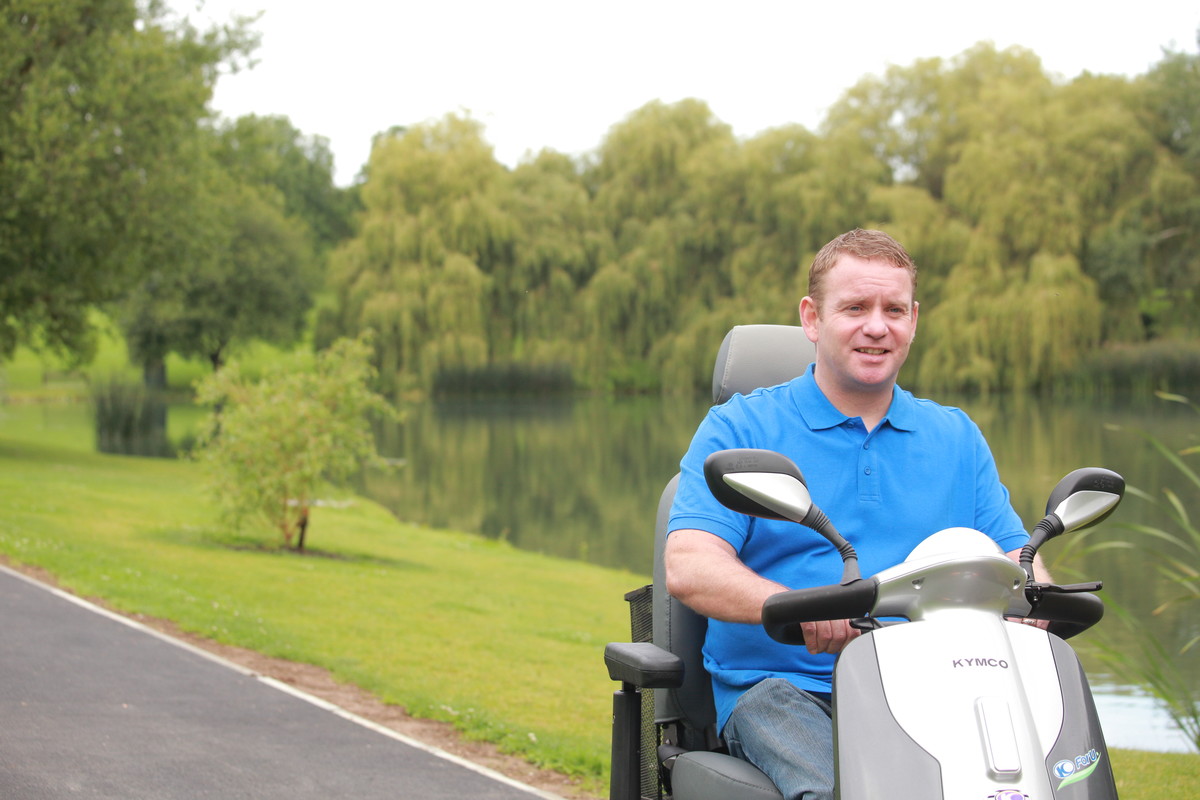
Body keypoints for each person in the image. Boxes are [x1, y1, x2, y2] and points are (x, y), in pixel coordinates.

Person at [663, 228, 1050, 800]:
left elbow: (1016, 557)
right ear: (812, 319)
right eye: (855, 308)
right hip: (787, 687)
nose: (877, 326)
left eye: (894, 309)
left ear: (913, 320)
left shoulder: (956, 437)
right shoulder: (739, 429)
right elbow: (690, 566)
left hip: (936, 685)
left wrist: (1037, 597)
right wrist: (793, 607)